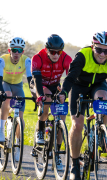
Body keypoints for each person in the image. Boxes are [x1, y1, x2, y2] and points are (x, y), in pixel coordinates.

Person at [59, 31, 107, 180]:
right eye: (99, 50)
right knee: (77, 125)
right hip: (79, 86)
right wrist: (64, 92)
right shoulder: (83, 55)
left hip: (98, 85)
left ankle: (101, 133)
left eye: (106, 51)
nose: (103, 54)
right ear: (92, 47)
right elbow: (70, 77)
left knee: (103, 99)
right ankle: (75, 164)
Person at [30, 34, 72, 170]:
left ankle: (57, 154)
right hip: (38, 84)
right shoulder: (37, 58)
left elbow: (71, 77)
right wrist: (39, 96)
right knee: (46, 98)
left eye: (58, 52)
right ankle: (40, 129)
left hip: (55, 85)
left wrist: (65, 92)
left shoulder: (66, 58)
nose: (55, 55)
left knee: (61, 116)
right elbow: (36, 78)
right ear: (46, 49)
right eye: (52, 52)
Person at [0, 37, 32, 161]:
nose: (17, 53)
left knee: (20, 118)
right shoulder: (2, 60)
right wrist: (0, 92)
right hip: (4, 84)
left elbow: (31, 80)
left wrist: (35, 94)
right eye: (14, 50)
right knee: (7, 95)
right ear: (9, 50)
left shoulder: (27, 61)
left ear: (22, 52)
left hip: (18, 85)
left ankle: (17, 143)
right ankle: (1, 128)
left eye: (19, 50)